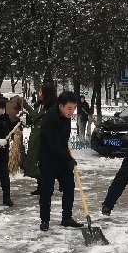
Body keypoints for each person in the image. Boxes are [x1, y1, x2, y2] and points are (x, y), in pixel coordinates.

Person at [37, 91, 83, 231]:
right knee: (47, 190)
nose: (72, 111)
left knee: (69, 186)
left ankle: (66, 218)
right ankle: (45, 220)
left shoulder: (65, 116)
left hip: (61, 156)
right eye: (70, 108)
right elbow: (54, 145)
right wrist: (68, 159)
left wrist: (67, 158)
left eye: (74, 108)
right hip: (48, 158)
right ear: (60, 105)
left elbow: (63, 141)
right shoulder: (51, 119)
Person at [25, 85, 56, 195]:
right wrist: (25, 118)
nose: (39, 93)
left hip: (45, 139)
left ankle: (48, 187)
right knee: (36, 163)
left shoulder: (52, 108)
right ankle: (40, 186)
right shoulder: (38, 106)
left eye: (41, 91)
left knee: (46, 164)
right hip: (35, 138)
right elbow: (33, 119)